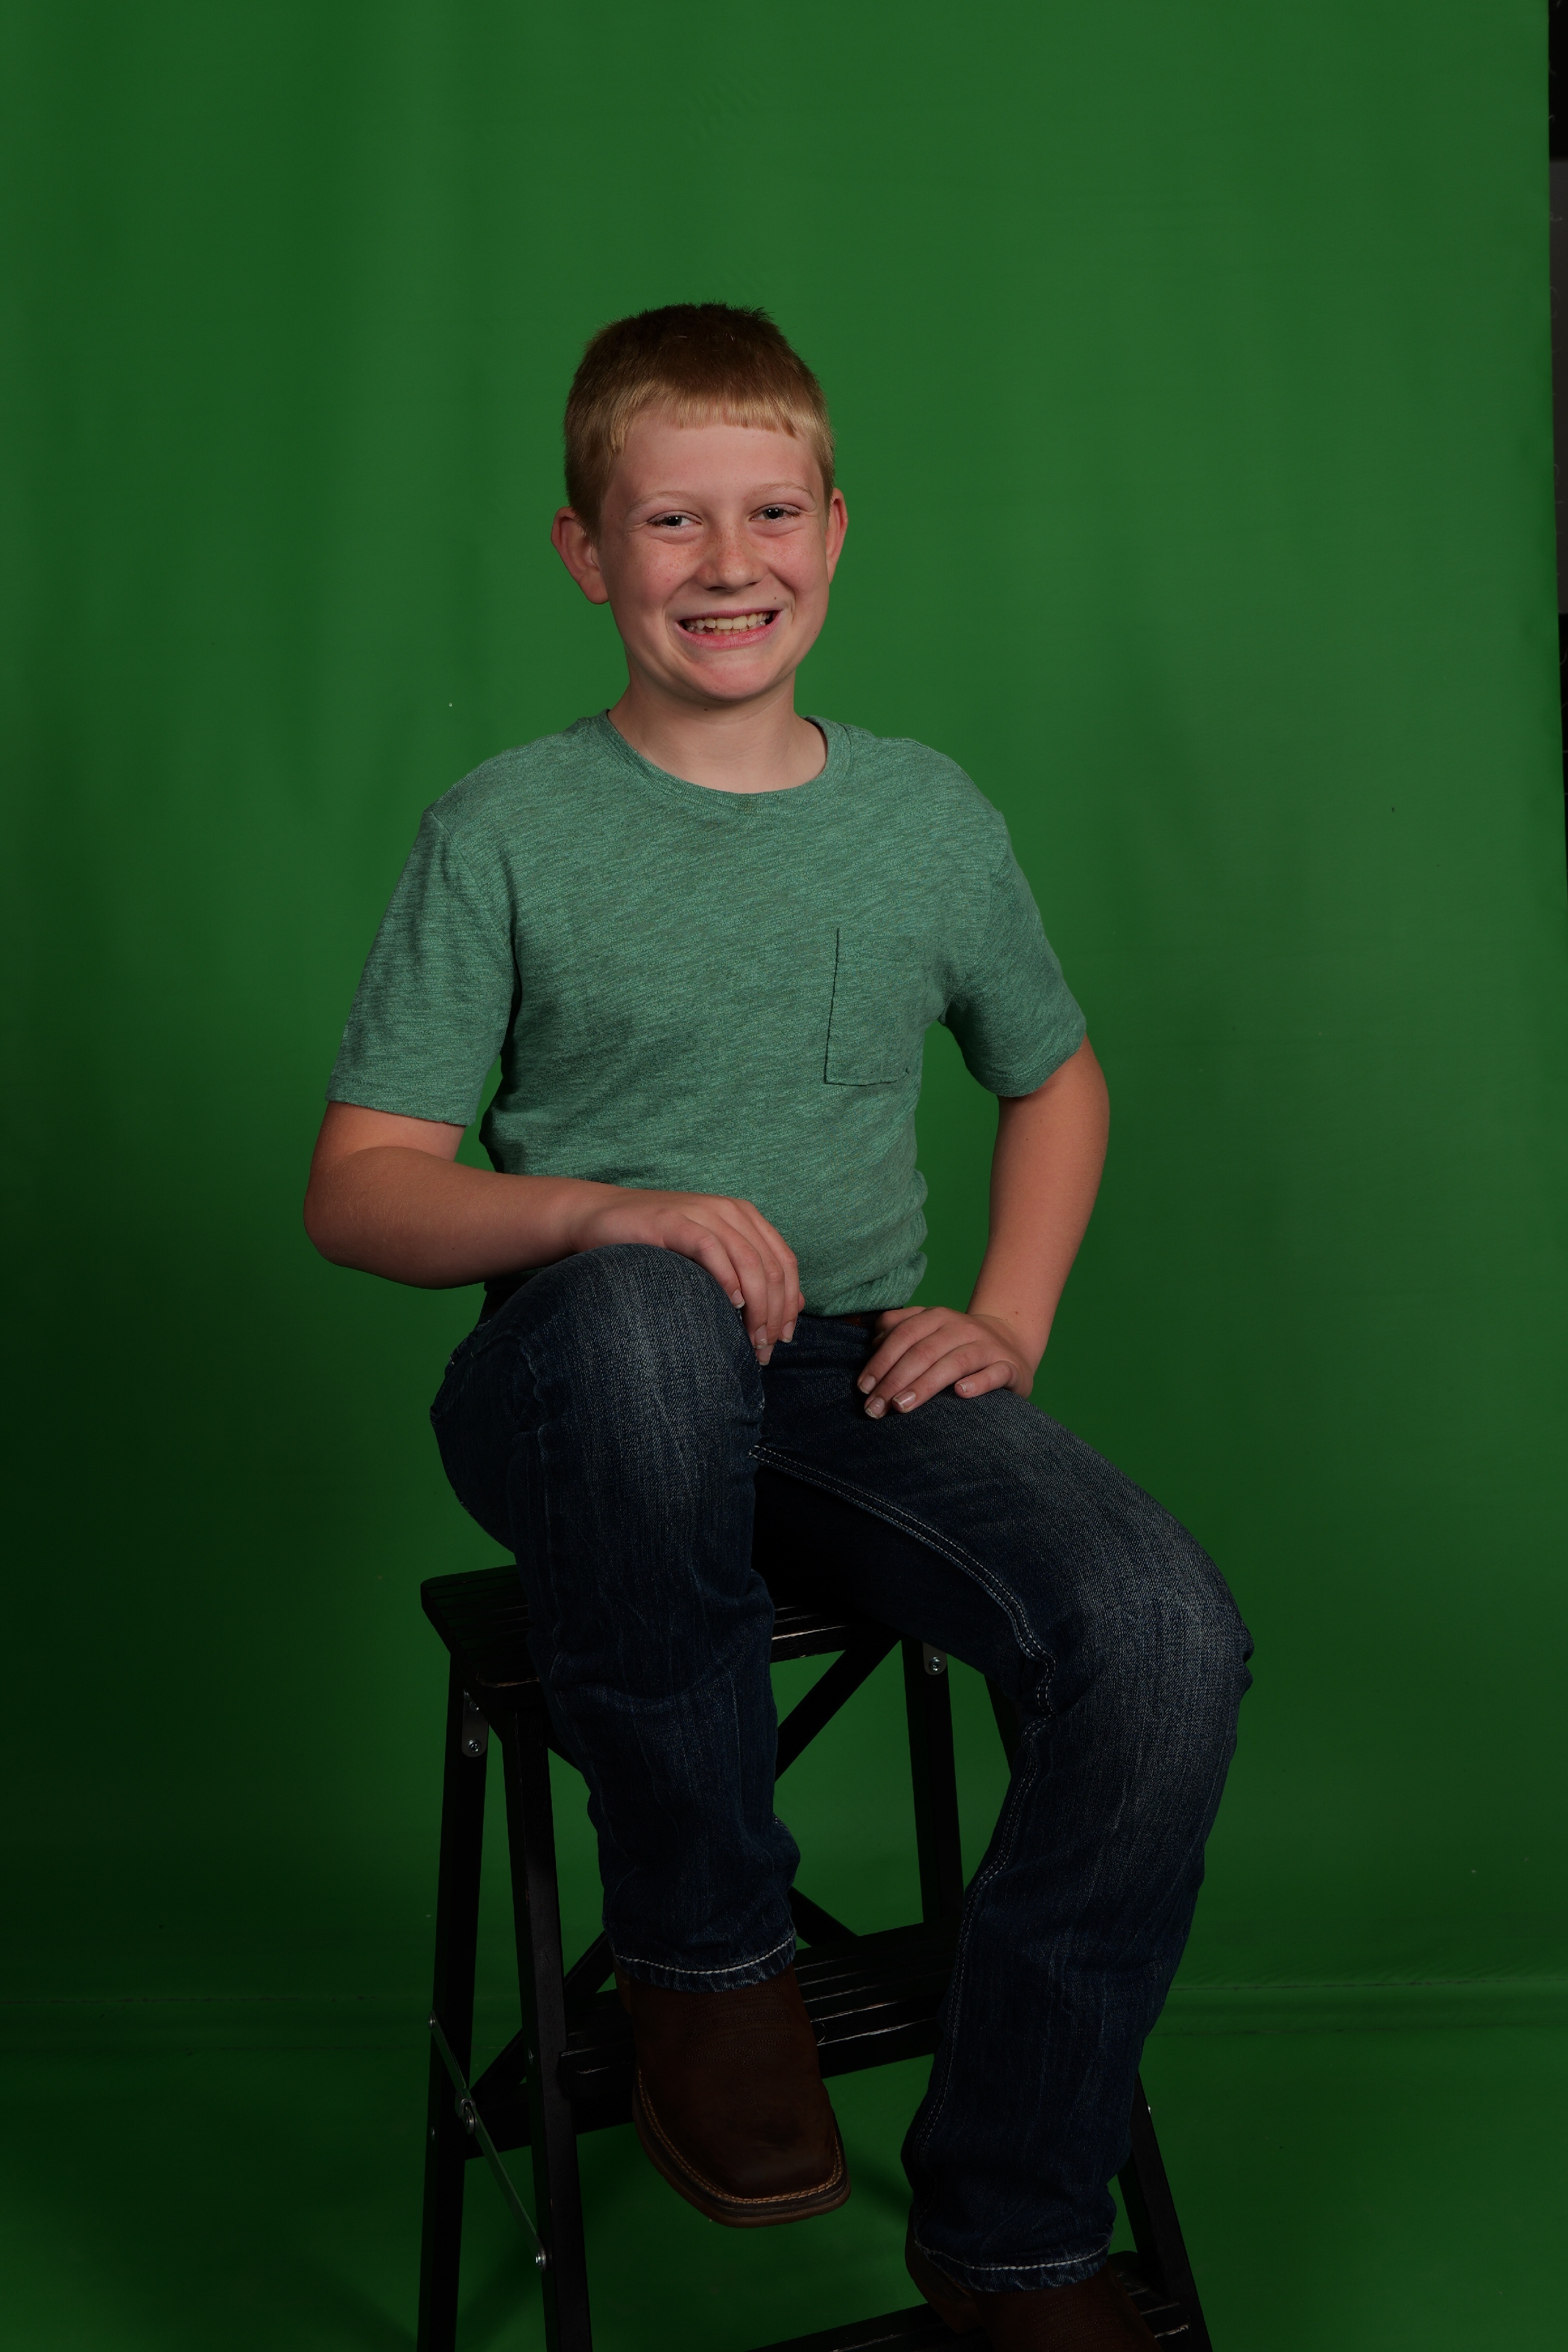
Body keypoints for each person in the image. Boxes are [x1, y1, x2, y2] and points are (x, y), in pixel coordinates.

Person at [304, 302, 1251, 2350]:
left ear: (835, 528)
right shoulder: (505, 827)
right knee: (650, 1312)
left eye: (770, 513)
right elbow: (361, 1183)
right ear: (586, 551)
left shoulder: (925, 817)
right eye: (671, 521)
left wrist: (1006, 1315)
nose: (727, 562)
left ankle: (1014, 2238)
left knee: (1165, 1631)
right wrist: (605, 1209)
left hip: (841, 1378)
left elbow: (1058, 1076)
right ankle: (707, 1965)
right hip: (579, 1378)